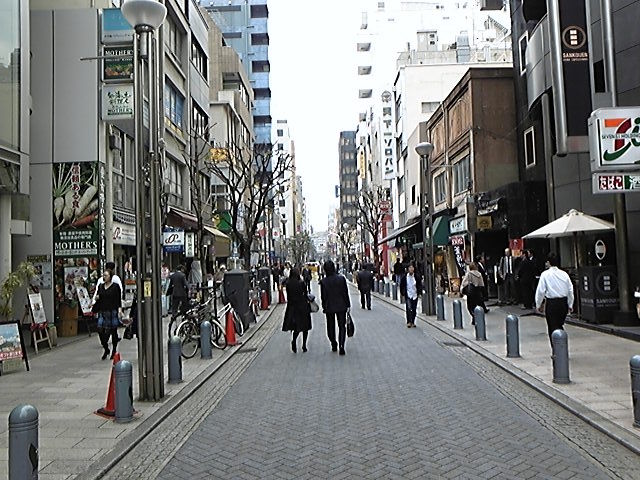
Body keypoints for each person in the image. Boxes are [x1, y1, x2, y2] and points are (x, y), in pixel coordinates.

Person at [535, 253, 574, 346]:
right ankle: (561, 346)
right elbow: (570, 290)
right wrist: (570, 304)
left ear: (549, 262)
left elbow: (540, 291)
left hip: (552, 303)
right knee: (559, 325)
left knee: (552, 327)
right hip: (563, 302)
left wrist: (538, 304)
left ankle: (557, 348)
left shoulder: (545, 274)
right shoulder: (564, 274)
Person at [319, 260, 351, 355]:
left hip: (329, 306)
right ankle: (341, 346)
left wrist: (324, 306)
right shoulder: (341, 279)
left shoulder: (324, 281)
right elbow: (345, 293)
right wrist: (348, 304)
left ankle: (333, 342)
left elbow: (323, 296)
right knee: (342, 326)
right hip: (341, 305)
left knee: (330, 326)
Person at [92, 269, 123, 360]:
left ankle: (114, 350)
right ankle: (106, 348)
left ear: (110, 276)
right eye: (103, 275)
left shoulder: (115, 287)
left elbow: (118, 299)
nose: (104, 277)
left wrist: (119, 309)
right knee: (100, 329)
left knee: (113, 331)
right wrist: (96, 299)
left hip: (112, 310)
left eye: (106, 275)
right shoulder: (101, 286)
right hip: (102, 311)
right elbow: (98, 296)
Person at [282, 268, 312, 353]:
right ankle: (304, 345)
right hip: (302, 306)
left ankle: (294, 340)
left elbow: (288, 296)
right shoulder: (301, 283)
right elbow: (305, 294)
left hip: (292, 307)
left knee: (296, 327)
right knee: (305, 327)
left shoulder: (288, 283)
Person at [399, 263, 422, 328]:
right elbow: (402, 285)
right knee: (409, 308)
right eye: (410, 268)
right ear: (407, 269)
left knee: (414, 309)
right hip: (408, 294)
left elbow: (419, 285)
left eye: (412, 267)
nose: (411, 269)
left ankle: (413, 321)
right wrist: (402, 293)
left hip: (415, 294)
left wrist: (419, 292)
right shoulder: (405, 277)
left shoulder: (416, 276)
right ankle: (409, 322)